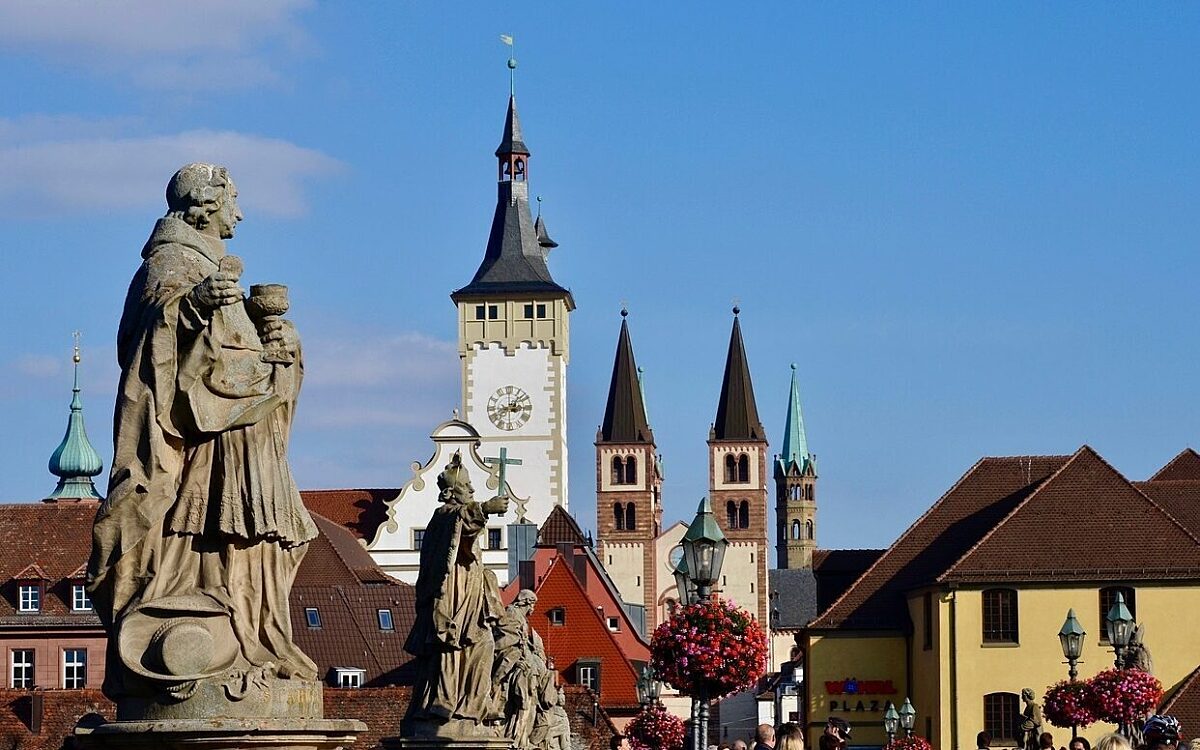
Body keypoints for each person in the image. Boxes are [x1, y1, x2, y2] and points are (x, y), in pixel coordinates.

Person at [89, 163, 316, 702]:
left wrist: (279, 346)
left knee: (262, 541)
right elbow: (148, 343)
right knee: (216, 538)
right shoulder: (172, 262)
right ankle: (224, 631)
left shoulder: (213, 268)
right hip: (209, 445)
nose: (240, 212)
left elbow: (233, 356)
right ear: (205, 204)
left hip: (244, 431)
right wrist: (190, 306)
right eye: (233, 200)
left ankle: (256, 634)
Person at [404, 451, 509, 734]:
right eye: (467, 487)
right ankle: (446, 703)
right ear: (451, 492)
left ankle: (473, 705)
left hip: (470, 594)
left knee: (484, 645)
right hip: (453, 596)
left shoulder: (452, 517)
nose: (473, 490)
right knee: (452, 648)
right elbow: (462, 520)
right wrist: (485, 508)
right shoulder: (443, 517)